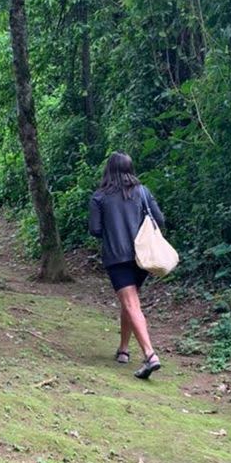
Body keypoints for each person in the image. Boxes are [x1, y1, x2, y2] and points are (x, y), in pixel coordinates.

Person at [89, 152, 166, 379]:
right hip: (142, 257)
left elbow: (95, 230)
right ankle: (123, 350)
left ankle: (150, 355)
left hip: (116, 257)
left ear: (108, 170)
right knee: (129, 303)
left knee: (131, 304)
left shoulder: (99, 197)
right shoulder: (143, 192)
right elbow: (159, 220)